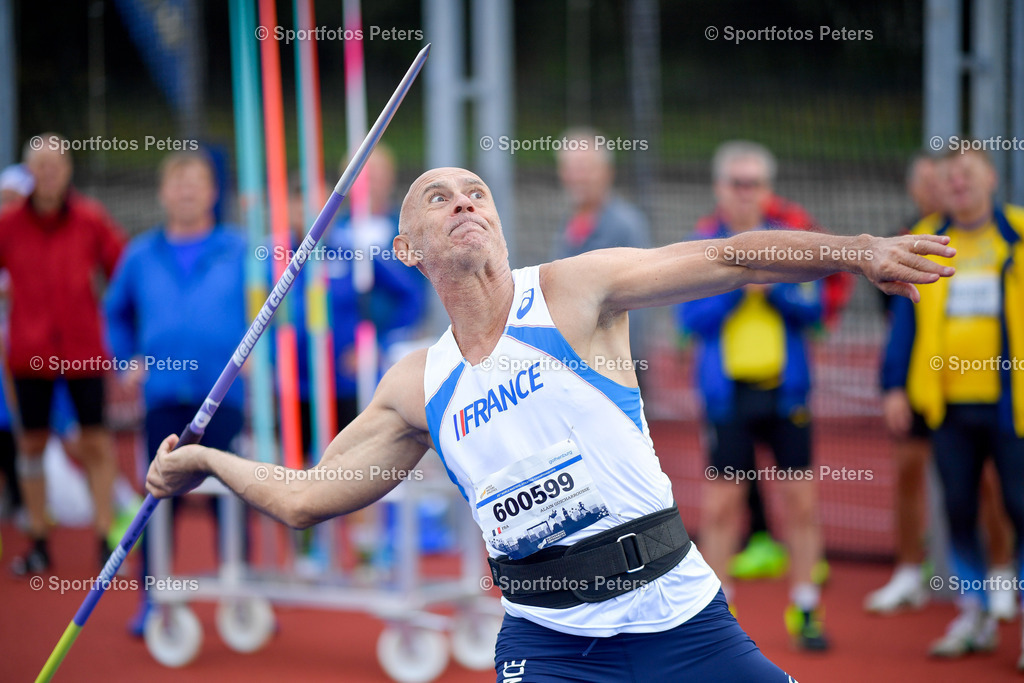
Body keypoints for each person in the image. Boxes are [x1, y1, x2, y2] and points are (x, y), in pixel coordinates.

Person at [146, 167, 953, 681]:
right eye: (439, 197)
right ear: (406, 249)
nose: (464, 201)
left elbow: (734, 256)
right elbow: (305, 497)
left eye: (477, 194)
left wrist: (855, 249)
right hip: (553, 647)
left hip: (680, 620)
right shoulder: (414, 384)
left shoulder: (572, 292)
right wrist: (212, 460)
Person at [677, 141, 830, 650]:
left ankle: (806, 607)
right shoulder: (700, 245)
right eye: (736, 183)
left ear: (767, 190)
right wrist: (738, 286)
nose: (745, 193)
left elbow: (816, 310)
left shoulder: (791, 241)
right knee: (721, 509)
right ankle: (720, 614)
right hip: (728, 402)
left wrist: (778, 288)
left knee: (801, 505)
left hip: (787, 399)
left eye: (754, 184)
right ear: (720, 188)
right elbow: (690, 319)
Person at [884, 146, 1024, 669]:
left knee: (1019, 506)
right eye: (949, 177)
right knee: (959, 510)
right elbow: (904, 320)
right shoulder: (924, 238)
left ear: (990, 175)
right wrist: (893, 385)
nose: (959, 183)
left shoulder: (1017, 232)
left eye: (967, 173)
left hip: (1014, 405)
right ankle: (975, 614)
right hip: (947, 407)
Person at [104, 150, 247, 634]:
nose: (187, 191)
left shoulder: (241, 248)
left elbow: (281, 301)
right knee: (157, 500)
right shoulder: (141, 254)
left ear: (213, 192)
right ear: (164, 193)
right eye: (178, 182)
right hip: (163, 395)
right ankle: (153, 598)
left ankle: (239, 595)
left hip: (226, 396)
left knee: (231, 496)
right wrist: (126, 360)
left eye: (197, 182)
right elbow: (115, 313)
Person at [0, 134, 125, 575]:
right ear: (28, 172)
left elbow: (123, 272)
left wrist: (127, 333)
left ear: (68, 169)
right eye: (39, 166)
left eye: (55, 165)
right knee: (32, 443)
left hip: (82, 350)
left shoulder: (91, 219)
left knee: (95, 442)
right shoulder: (8, 224)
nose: (48, 174)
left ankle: (105, 538)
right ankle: (37, 537)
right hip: (29, 353)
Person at [553, 128, 651, 376]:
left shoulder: (625, 225)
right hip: (575, 362)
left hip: (613, 365)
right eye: (571, 168)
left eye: (585, 168)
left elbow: (640, 300)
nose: (577, 177)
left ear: (607, 173)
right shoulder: (568, 224)